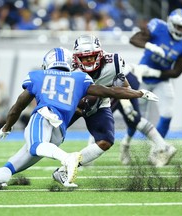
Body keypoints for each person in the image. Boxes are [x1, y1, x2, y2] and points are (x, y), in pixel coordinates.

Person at [0, 47, 158, 190]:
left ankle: (67, 158)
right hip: (59, 130)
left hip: (44, 116)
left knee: (35, 145)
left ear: (48, 63)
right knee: (13, 165)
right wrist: (139, 93)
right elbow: (110, 91)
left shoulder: (38, 76)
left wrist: (7, 127)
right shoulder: (79, 78)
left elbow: (18, 106)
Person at [52, 35, 173, 187]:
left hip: (102, 100)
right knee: (49, 137)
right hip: (72, 102)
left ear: (100, 55)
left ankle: (65, 169)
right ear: (76, 58)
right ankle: (12, 169)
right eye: (84, 58)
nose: (89, 61)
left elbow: (124, 86)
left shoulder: (113, 64)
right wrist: (74, 107)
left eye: (92, 57)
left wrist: (130, 97)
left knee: (108, 138)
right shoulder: (68, 66)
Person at [119, 8, 182, 164]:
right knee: (136, 118)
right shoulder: (158, 27)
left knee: (167, 113)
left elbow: (176, 72)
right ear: (170, 23)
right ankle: (126, 144)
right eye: (179, 26)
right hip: (141, 78)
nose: (181, 31)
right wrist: (150, 46)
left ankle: (156, 151)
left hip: (161, 79)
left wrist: (155, 73)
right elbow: (134, 39)